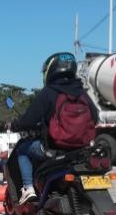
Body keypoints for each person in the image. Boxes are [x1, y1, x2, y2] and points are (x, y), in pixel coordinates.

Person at [12, 52, 100, 203]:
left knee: (22, 150)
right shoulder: (82, 93)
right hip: (80, 151)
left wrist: (17, 125)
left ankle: (28, 189)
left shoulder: (49, 92)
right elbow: (95, 117)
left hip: (53, 149)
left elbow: (29, 120)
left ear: (51, 70)